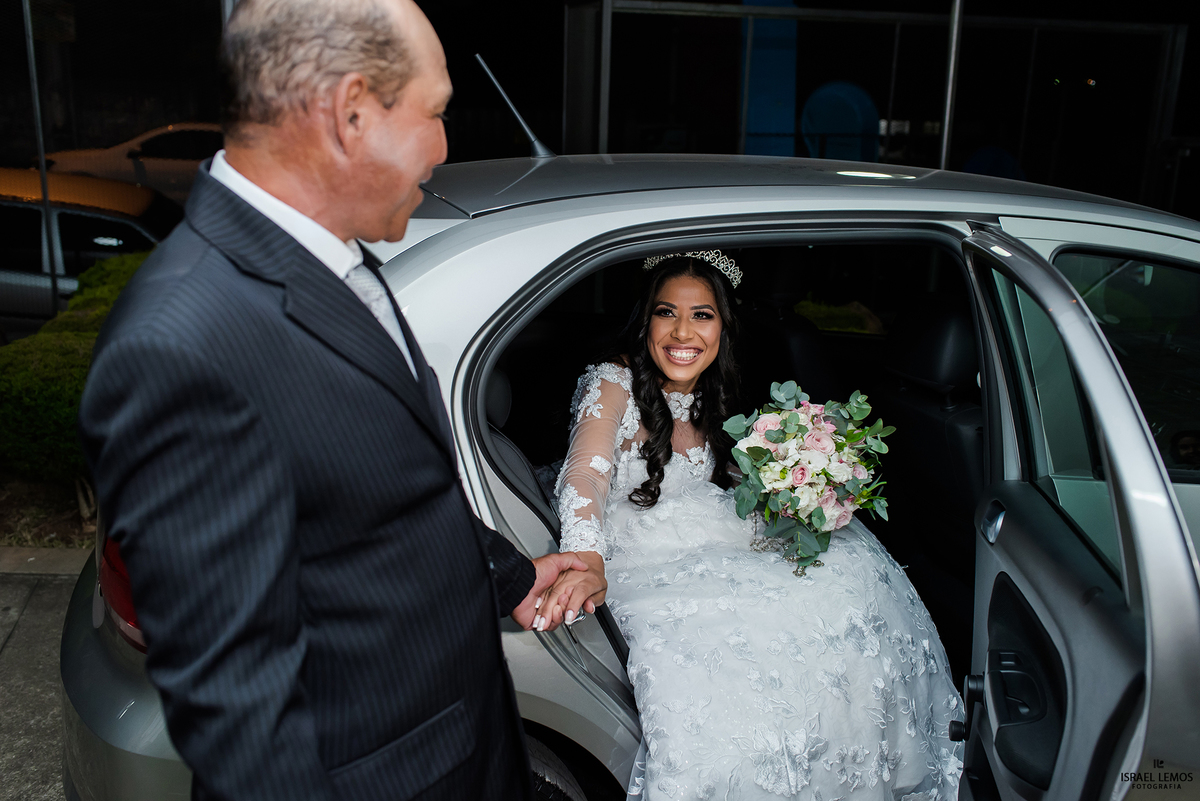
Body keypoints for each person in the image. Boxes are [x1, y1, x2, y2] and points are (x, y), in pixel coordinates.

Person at [78, 1, 592, 799]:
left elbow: (379, 489)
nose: (446, 146)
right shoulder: (180, 347)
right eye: (435, 113)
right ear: (352, 113)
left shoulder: (334, 254)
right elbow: (241, 719)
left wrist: (508, 578)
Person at [542, 252, 965, 799]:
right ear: (644, 320)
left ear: (724, 326)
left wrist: (796, 483)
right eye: (666, 312)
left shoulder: (716, 387)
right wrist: (586, 555)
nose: (682, 332)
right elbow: (587, 472)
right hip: (641, 547)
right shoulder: (614, 380)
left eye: (703, 316)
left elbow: (723, 472)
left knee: (848, 584)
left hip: (706, 529)